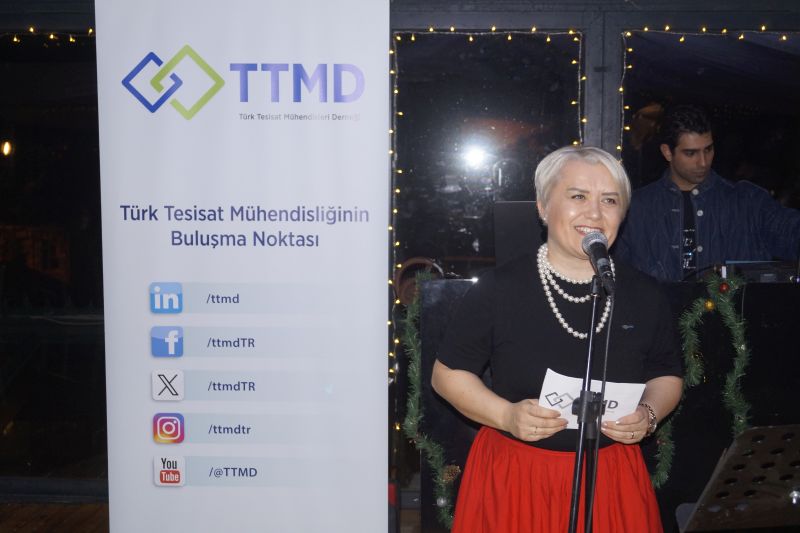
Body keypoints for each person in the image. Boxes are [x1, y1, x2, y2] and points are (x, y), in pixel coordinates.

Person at [432, 145, 683, 533]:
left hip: (611, 479)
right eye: (578, 196)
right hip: (516, 477)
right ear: (543, 207)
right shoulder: (500, 289)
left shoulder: (644, 294)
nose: (595, 213)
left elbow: (666, 374)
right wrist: (506, 416)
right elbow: (446, 375)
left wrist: (648, 415)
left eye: (609, 200)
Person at [615, 104, 800, 282]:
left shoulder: (747, 201)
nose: (703, 162)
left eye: (708, 149)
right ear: (667, 152)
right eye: (691, 153)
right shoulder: (637, 208)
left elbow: (789, 231)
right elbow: (617, 275)